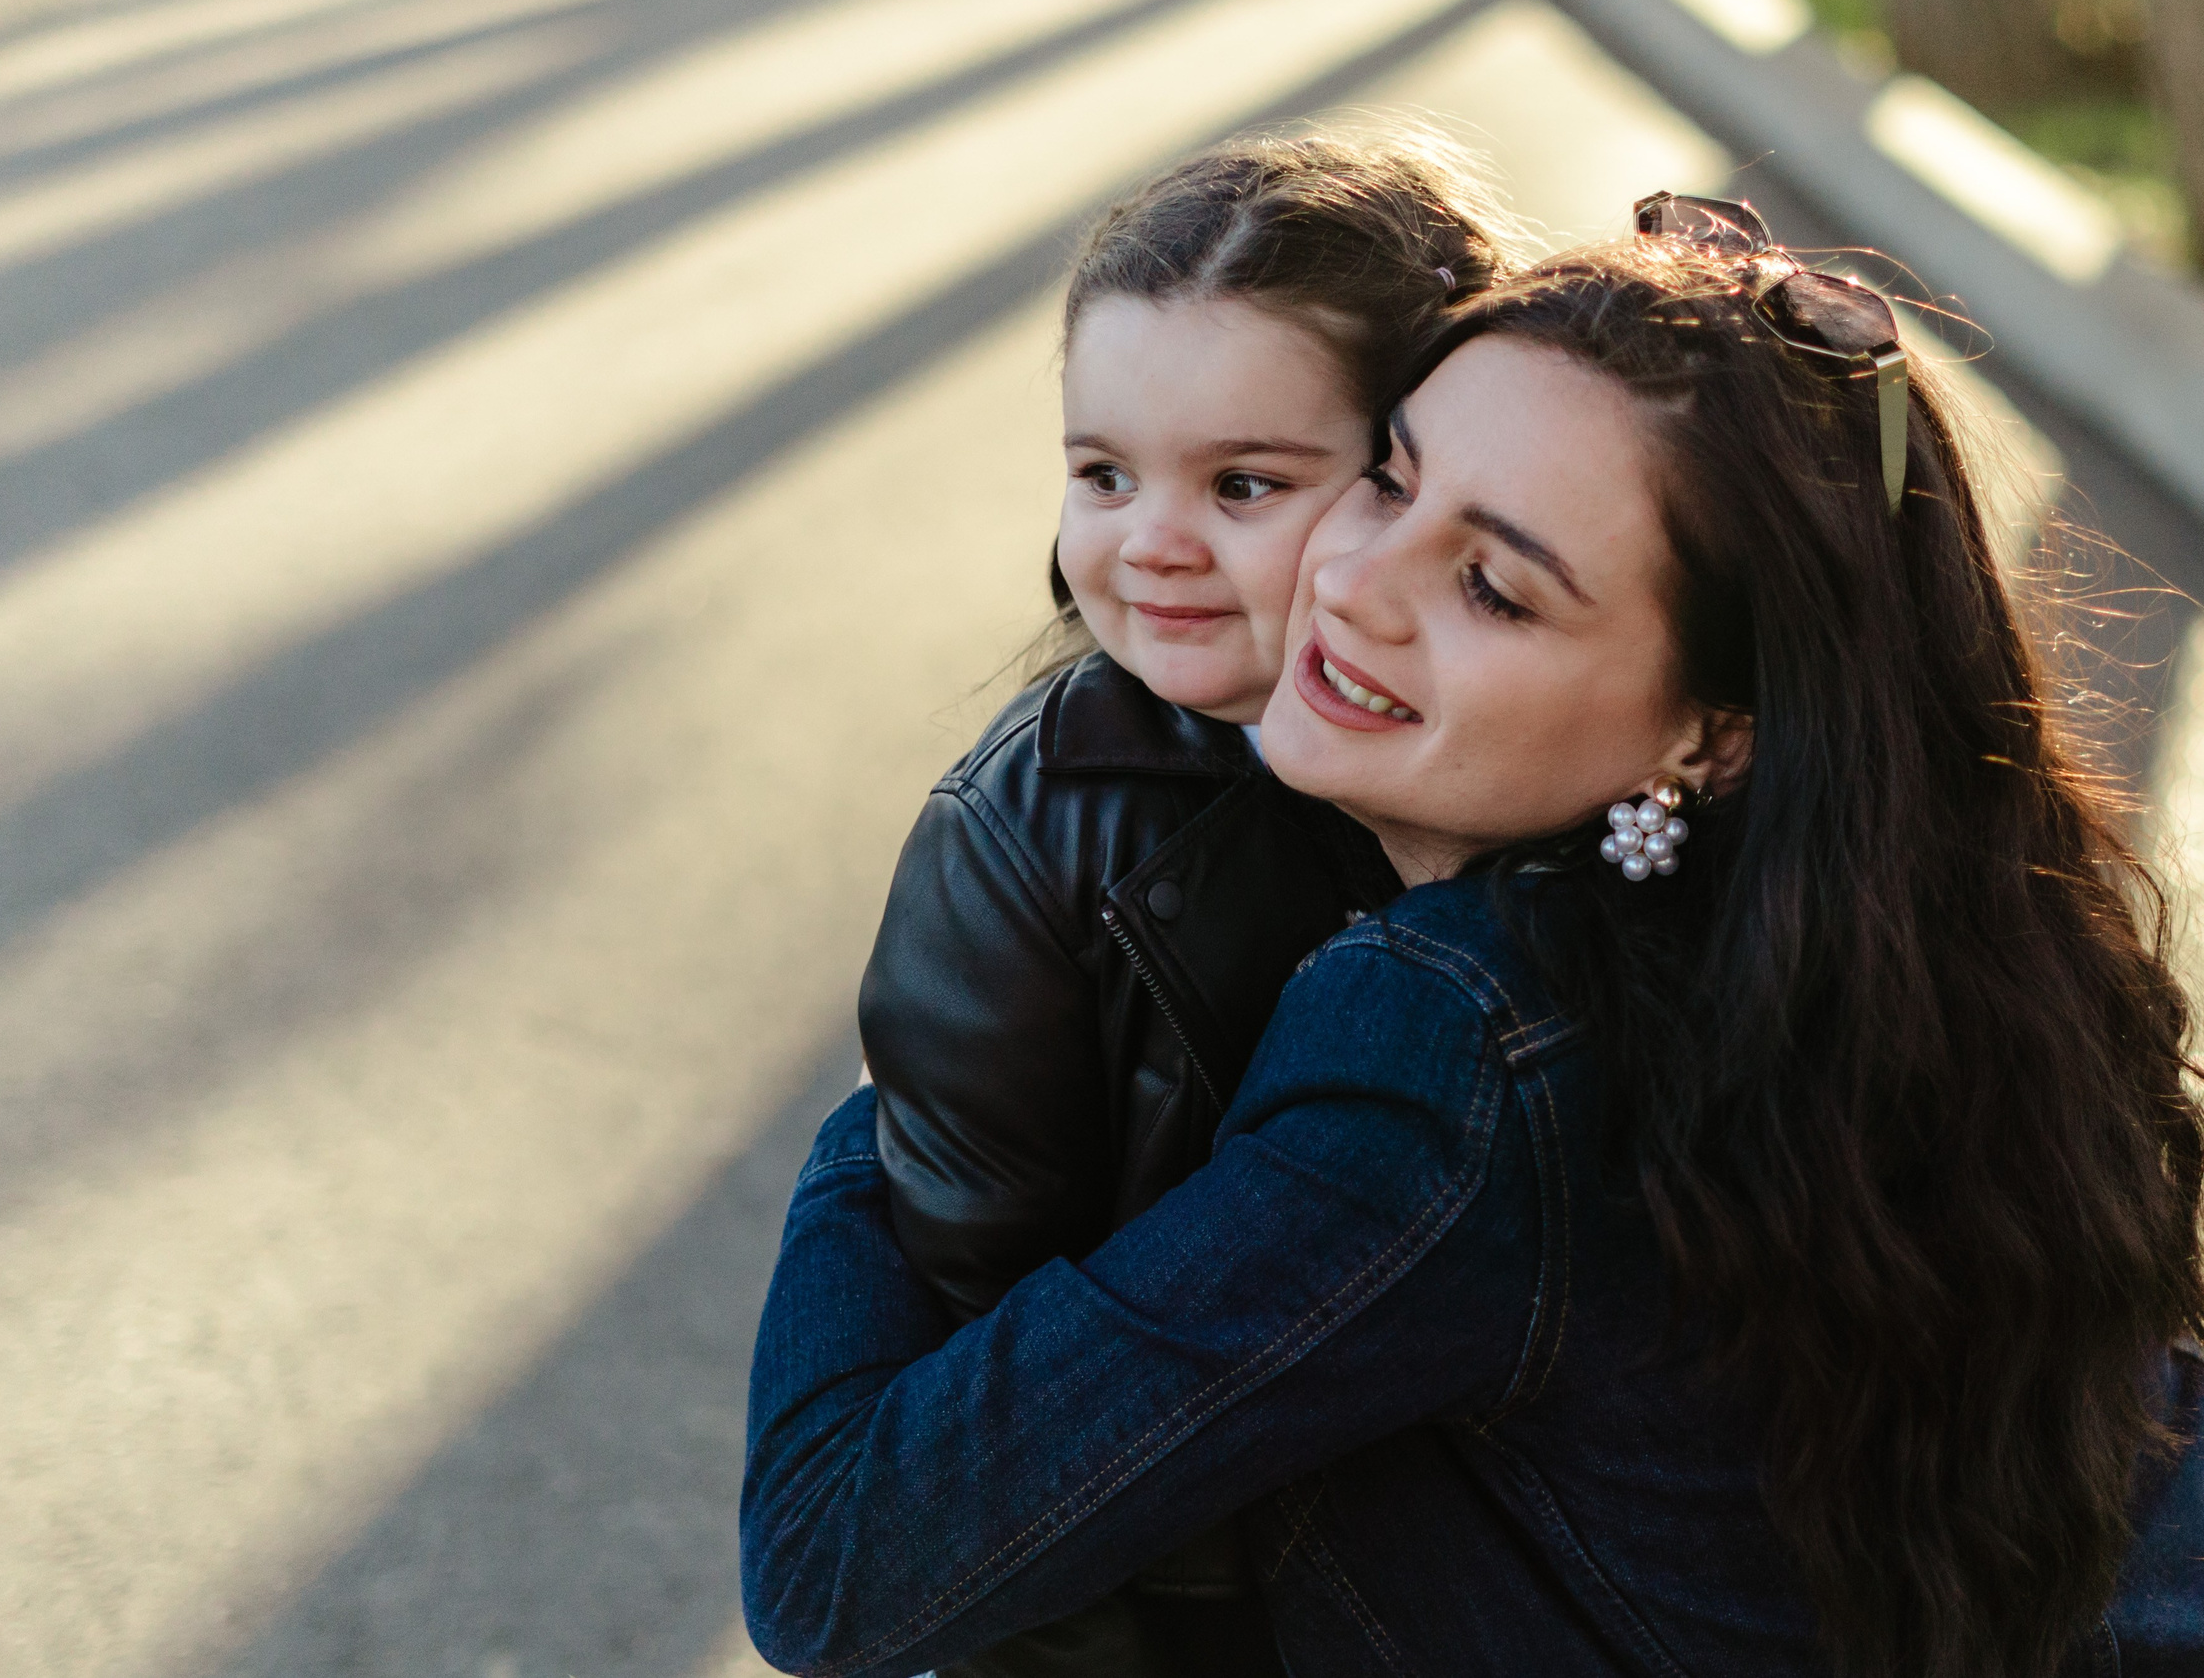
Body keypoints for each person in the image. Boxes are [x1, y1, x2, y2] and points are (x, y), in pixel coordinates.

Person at [742, 213, 2204, 1677]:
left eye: (1494, 587)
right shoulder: (1926, 957)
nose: (1355, 582)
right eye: (1390, 477)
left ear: (1712, 732)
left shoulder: (1464, 1049)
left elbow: (837, 1567)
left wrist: (917, 1077)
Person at [852, 133, 1512, 1675]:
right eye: (1102, 473)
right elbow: (996, 1397)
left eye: (1243, 484)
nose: (1148, 544)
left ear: (1422, 477)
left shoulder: (1547, 749)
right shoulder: (1029, 841)